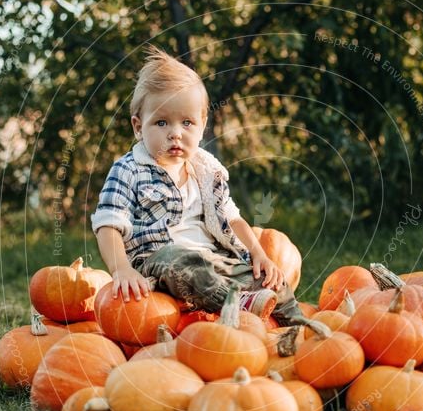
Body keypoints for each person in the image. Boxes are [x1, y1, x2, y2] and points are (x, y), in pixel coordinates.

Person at [91, 46, 303, 325]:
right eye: (162, 122)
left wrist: (258, 253)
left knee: (271, 282)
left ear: (202, 126)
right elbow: (108, 224)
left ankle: (301, 332)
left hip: (212, 260)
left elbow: (232, 217)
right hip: (158, 262)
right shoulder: (128, 169)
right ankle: (234, 304)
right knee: (182, 262)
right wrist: (121, 269)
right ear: (138, 127)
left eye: (187, 123)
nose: (175, 134)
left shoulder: (207, 171)